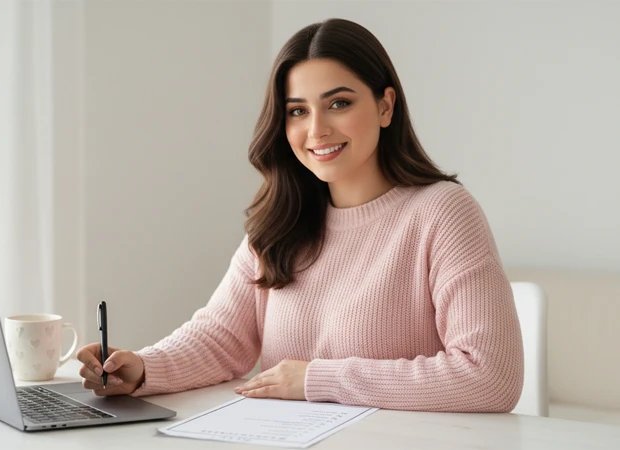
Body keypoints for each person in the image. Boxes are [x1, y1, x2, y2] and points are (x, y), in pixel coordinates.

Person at [76, 18, 524, 413]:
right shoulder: (281, 220)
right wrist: (141, 368)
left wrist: (316, 380)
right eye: (297, 111)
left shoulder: (442, 213)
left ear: (386, 106)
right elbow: (220, 338)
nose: (317, 130)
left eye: (339, 103)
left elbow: (489, 376)